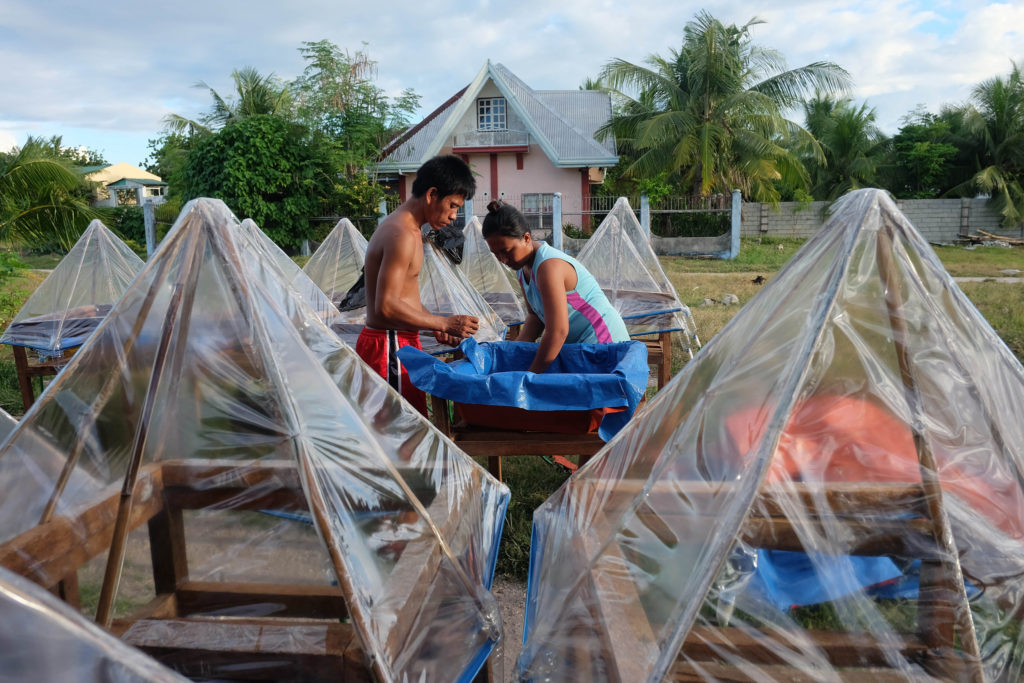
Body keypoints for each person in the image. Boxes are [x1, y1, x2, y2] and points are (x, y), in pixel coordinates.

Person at [357, 155, 480, 415]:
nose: (454, 217)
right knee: (397, 432)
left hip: (398, 343)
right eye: (453, 206)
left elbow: (404, 298)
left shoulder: (409, 230)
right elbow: (386, 307)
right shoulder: (401, 234)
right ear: (432, 194)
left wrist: (431, 323)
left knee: (409, 428)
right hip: (389, 346)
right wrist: (444, 323)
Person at [482, 200, 629, 374]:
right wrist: (510, 355)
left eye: (507, 251)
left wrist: (529, 376)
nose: (503, 260)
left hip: (603, 342)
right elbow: (535, 318)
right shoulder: (522, 269)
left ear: (526, 238)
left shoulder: (548, 267)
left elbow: (558, 331)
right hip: (579, 348)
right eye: (496, 254)